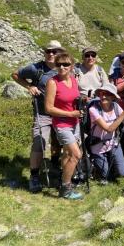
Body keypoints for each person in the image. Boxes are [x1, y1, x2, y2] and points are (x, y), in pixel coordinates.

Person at [11, 40, 65, 193]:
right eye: (48, 51)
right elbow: (15, 74)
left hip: (61, 113)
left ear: (60, 53)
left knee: (57, 142)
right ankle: (34, 176)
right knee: (38, 143)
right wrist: (29, 86)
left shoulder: (64, 68)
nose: (51, 54)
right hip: (42, 113)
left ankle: (54, 165)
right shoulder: (36, 68)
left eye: (54, 52)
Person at [44, 52, 83, 200]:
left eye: (66, 64)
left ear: (72, 66)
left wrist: (80, 105)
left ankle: (63, 181)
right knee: (76, 154)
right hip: (62, 124)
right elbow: (49, 108)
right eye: (59, 64)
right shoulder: (52, 83)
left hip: (75, 122)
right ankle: (66, 187)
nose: (62, 67)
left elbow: (73, 99)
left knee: (67, 154)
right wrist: (71, 114)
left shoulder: (73, 80)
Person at [88, 84, 124, 181]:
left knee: (123, 173)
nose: (103, 96)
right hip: (98, 146)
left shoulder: (116, 106)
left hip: (113, 144)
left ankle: (112, 165)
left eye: (107, 94)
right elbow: (109, 129)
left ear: (113, 96)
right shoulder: (93, 110)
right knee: (107, 177)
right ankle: (97, 167)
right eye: (101, 93)